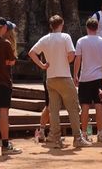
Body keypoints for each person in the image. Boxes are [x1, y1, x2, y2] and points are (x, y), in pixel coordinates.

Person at [28, 14, 89, 148]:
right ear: (61, 24)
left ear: (51, 26)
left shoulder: (45, 39)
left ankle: (55, 138)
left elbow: (32, 52)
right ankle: (77, 137)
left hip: (51, 78)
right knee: (72, 108)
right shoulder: (65, 37)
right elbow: (72, 55)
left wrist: (42, 65)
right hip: (64, 77)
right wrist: (65, 61)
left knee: (53, 110)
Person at [0, 17, 23, 156]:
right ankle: (5, 144)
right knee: (4, 113)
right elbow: (11, 62)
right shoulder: (6, 43)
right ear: (3, 28)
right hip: (3, 82)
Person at [74, 17, 102, 144]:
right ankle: (100, 133)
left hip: (85, 78)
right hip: (99, 77)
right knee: (99, 105)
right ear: (98, 27)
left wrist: (75, 75)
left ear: (86, 27)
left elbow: (78, 59)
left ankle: (84, 134)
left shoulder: (81, 41)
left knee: (85, 106)